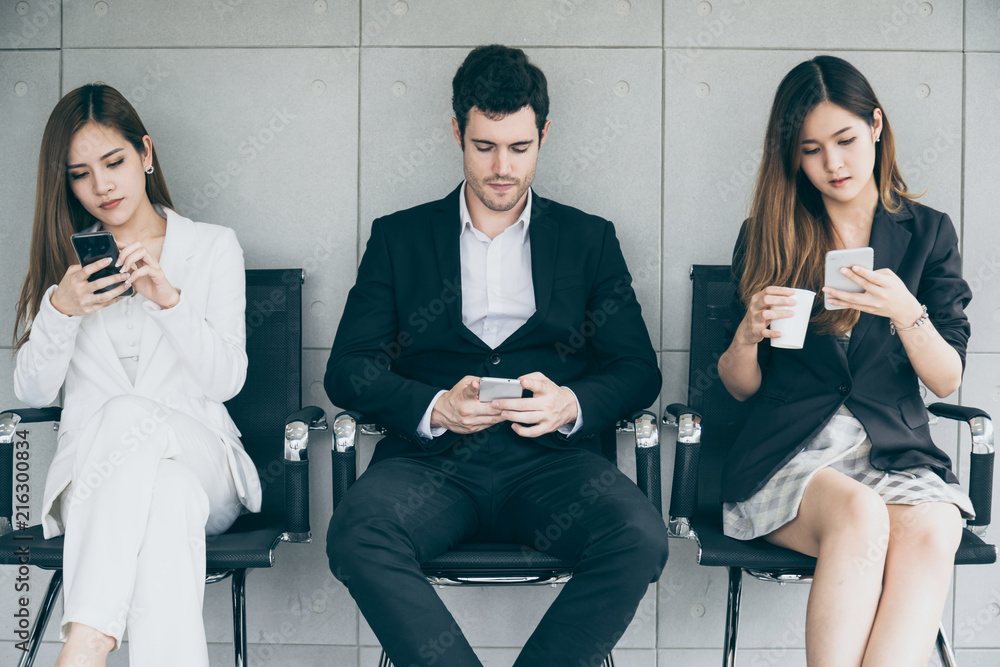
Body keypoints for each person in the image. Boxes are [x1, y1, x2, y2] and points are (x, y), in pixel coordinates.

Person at [325, 44, 668, 667]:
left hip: (552, 464)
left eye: (519, 147)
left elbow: (638, 369)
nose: (502, 167)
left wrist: (572, 403)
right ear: (458, 131)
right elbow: (348, 368)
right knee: (356, 535)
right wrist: (433, 407)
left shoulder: (589, 239)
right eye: (484, 147)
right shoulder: (398, 238)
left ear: (544, 133)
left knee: (640, 536)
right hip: (430, 465)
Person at [717, 55, 973, 666]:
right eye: (811, 149)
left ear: (876, 127)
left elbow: (946, 378)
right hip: (790, 453)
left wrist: (906, 311)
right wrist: (748, 334)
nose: (833, 164)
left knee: (937, 524)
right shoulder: (770, 232)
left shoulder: (927, 234)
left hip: (894, 450)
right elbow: (740, 387)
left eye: (845, 140)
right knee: (861, 514)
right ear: (793, 157)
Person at [12, 84, 262, 667]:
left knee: (143, 435)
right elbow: (30, 392)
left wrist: (170, 301)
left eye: (115, 162)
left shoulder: (211, 247)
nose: (102, 186)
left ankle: (86, 641)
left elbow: (227, 379)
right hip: (95, 483)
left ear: (145, 154)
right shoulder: (61, 263)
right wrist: (61, 309)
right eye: (80, 174)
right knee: (164, 500)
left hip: (205, 465)